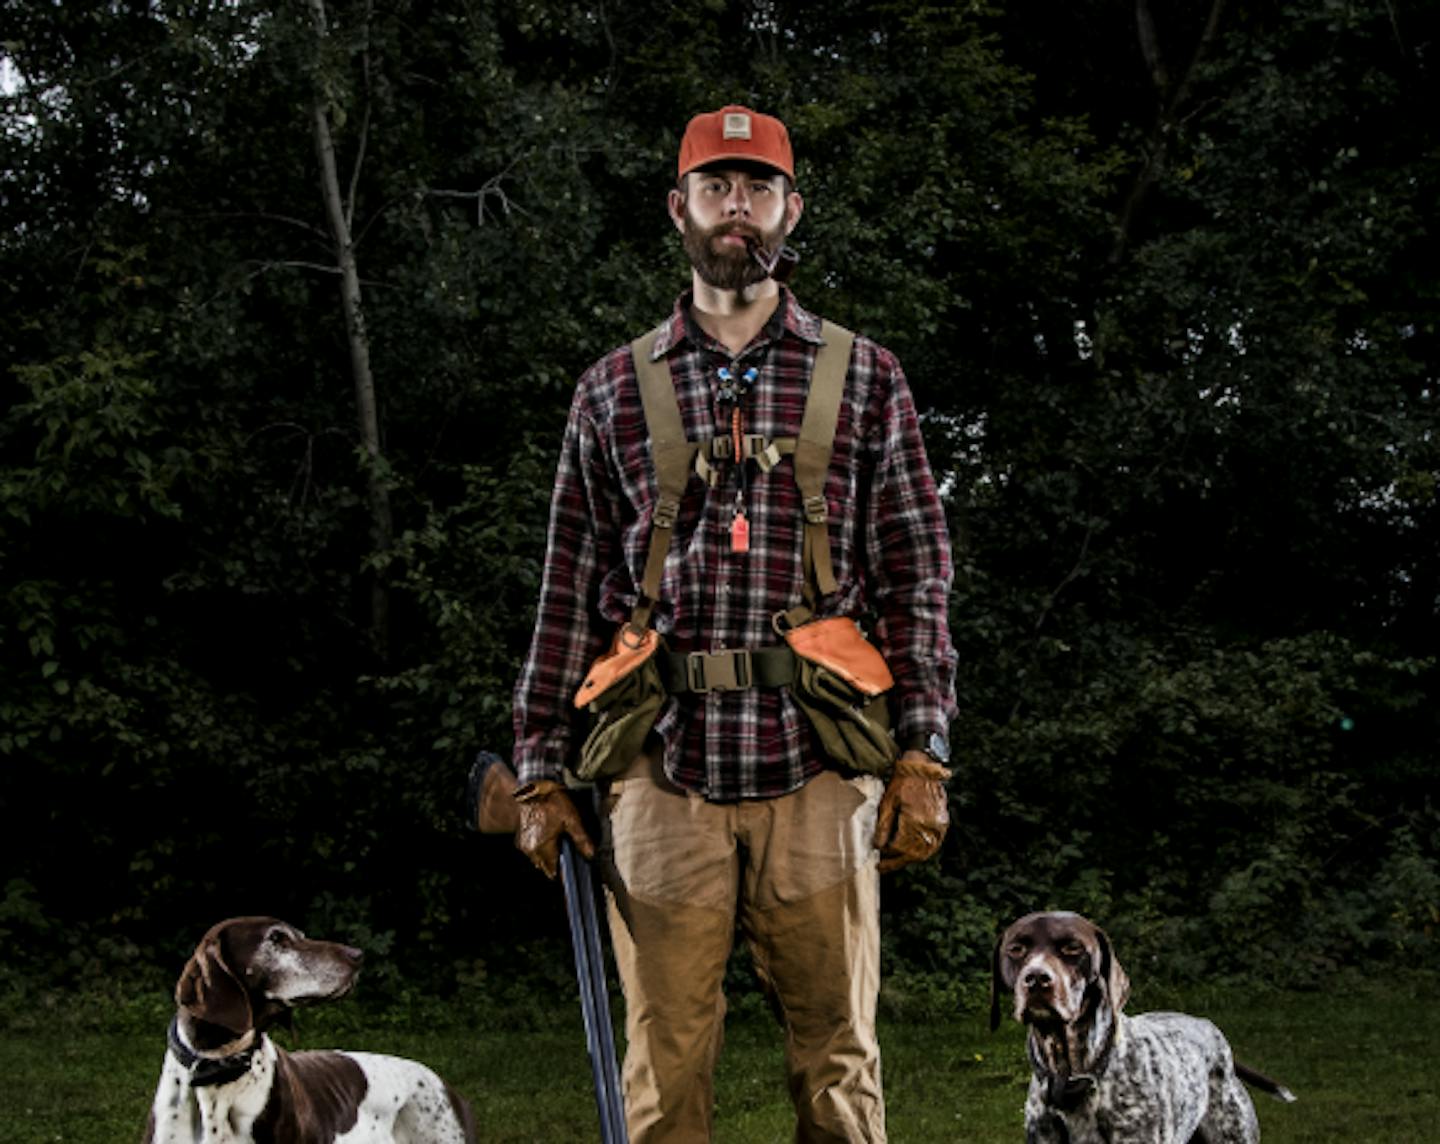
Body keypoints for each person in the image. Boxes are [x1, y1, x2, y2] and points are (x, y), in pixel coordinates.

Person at [511, 104, 957, 1143]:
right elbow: (566, 588)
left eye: (759, 188)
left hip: (823, 766)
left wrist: (926, 752)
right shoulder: (611, 388)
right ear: (681, 208)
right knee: (663, 1077)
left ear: (791, 208)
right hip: (662, 775)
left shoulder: (868, 376)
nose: (737, 209)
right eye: (717, 187)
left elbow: (918, 574)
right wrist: (539, 768)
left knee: (840, 1065)